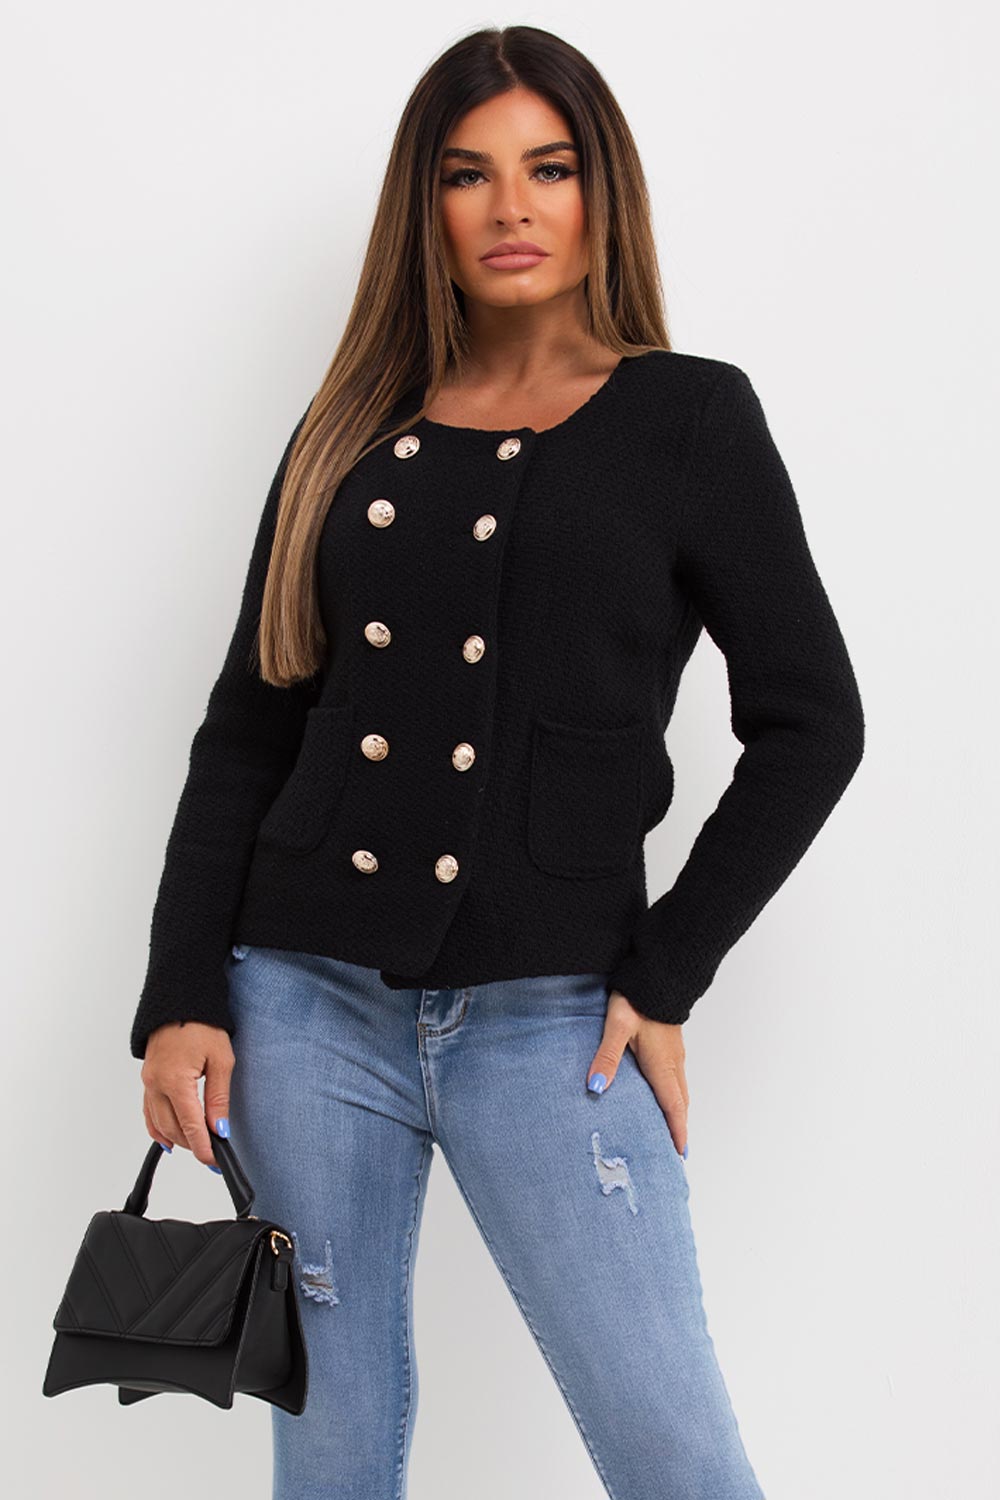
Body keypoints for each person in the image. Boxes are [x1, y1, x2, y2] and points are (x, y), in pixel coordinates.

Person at [131, 24, 864, 1500]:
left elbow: (812, 722)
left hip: (555, 1021)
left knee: (675, 1452)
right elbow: (249, 727)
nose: (511, 208)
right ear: (427, 206)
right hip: (304, 1005)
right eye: (468, 174)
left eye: (550, 168)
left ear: (603, 194)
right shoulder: (352, 429)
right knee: (329, 1459)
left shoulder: (689, 418)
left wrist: (668, 970)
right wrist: (181, 994)